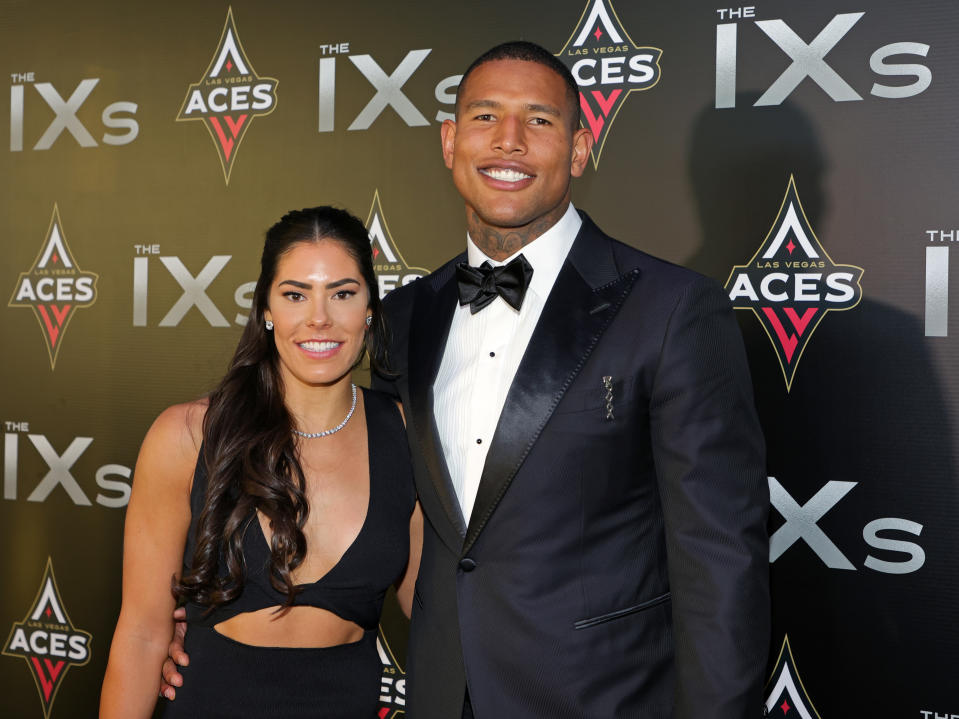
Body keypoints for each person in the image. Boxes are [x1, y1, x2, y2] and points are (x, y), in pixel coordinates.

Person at [163, 41, 770, 717]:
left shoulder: (669, 310)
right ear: (450, 141)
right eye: (485, 117)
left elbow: (718, 557)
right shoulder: (399, 319)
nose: (507, 141)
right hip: (442, 693)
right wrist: (205, 626)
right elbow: (372, 502)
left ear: (577, 148)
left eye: (538, 120)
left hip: (603, 697)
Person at [101, 207, 422, 718]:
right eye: (295, 295)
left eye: (342, 293)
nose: (319, 318)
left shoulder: (407, 435)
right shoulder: (188, 436)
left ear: (370, 309)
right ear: (267, 309)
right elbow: (141, 633)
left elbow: (432, 617)